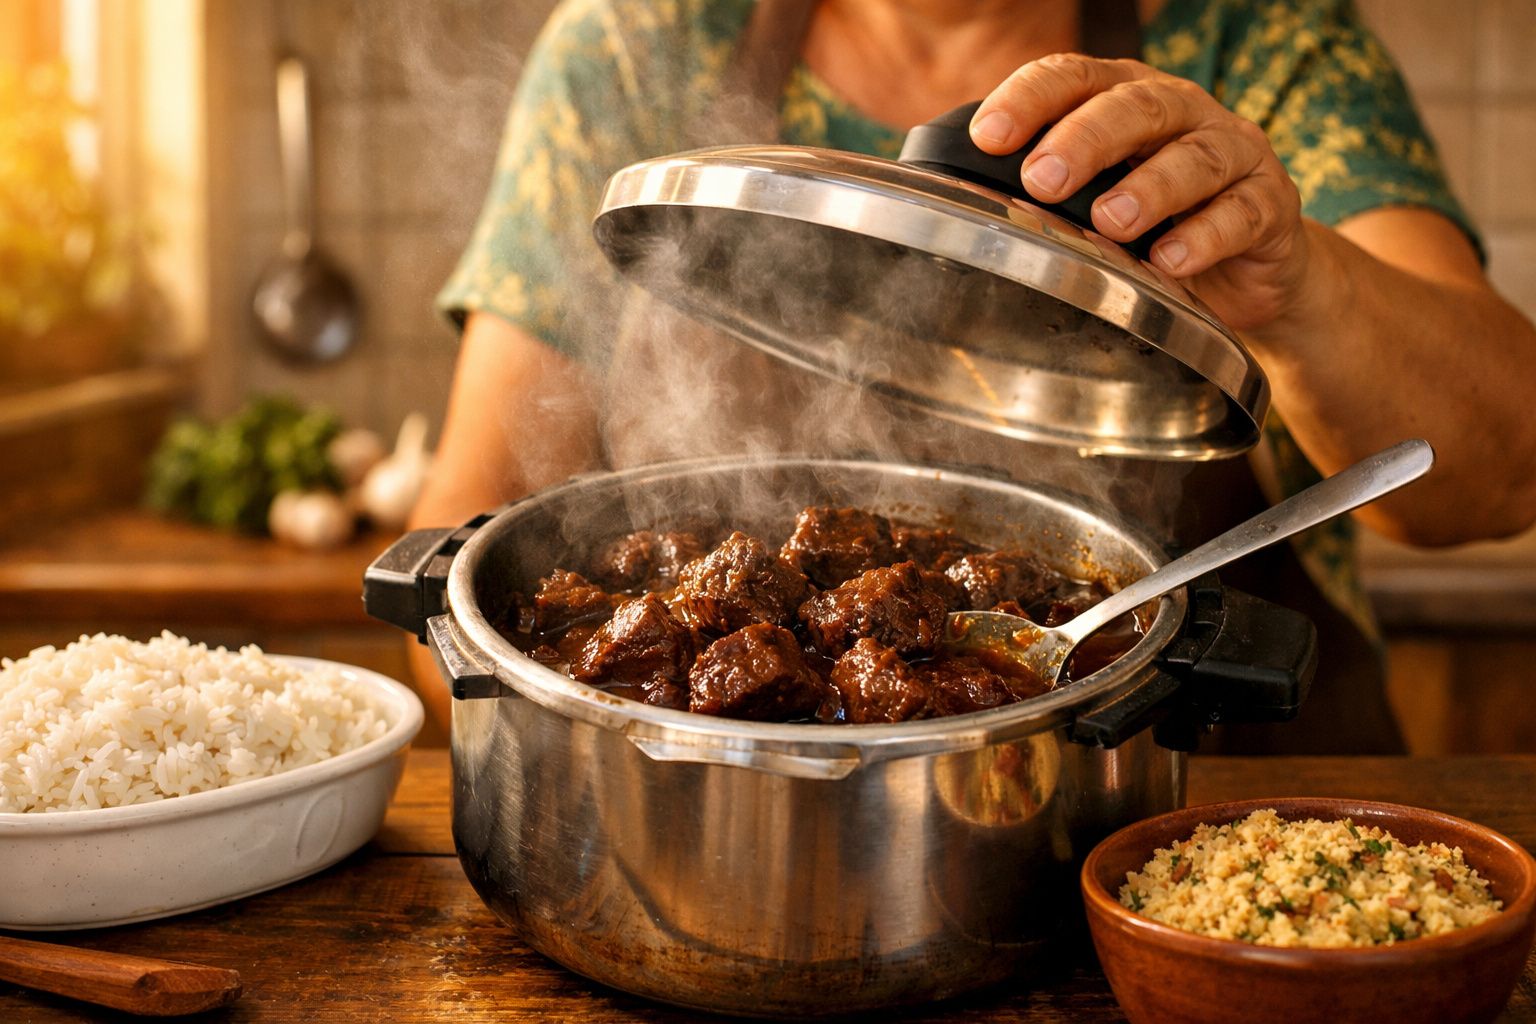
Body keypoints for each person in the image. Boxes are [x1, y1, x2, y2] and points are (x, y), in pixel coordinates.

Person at [408, 0, 1536, 750]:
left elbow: (1500, 472)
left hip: (1218, 810)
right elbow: (471, 578)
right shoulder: (639, 45)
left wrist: (1309, 289)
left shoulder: (1259, 38)